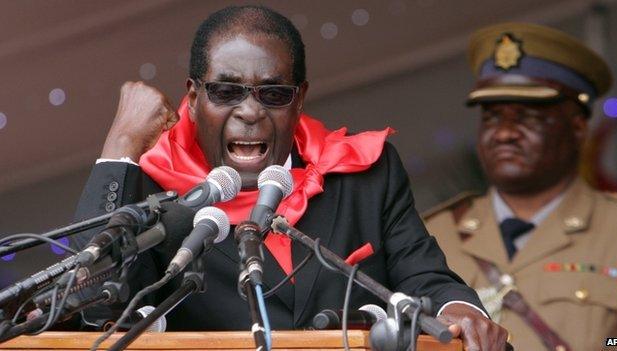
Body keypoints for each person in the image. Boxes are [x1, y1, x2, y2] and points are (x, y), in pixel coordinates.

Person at [73, 6, 508, 349]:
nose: (250, 111)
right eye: (226, 91)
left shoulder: (363, 172)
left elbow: (425, 276)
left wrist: (461, 311)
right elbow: (94, 302)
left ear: (299, 99)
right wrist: (121, 144)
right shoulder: (151, 194)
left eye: (274, 94)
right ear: (194, 97)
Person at [424, 22, 617, 351]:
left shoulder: (616, 230)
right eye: (491, 116)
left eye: (526, 117)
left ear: (577, 128)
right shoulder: (433, 234)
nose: (504, 133)